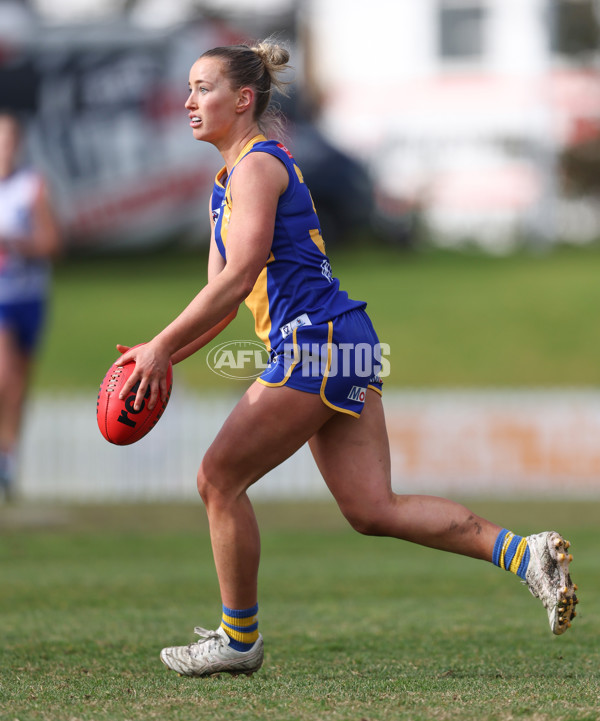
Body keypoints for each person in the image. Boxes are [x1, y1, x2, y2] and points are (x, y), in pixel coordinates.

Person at [115, 41, 579, 678]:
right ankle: (525, 555)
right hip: (344, 340)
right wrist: (161, 357)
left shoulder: (256, 167)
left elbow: (242, 269)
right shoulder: (229, 181)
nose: (189, 101)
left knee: (218, 480)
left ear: (243, 99)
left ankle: (238, 639)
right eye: (190, 89)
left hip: (318, 343)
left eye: (203, 88)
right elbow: (222, 301)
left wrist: (160, 345)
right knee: (372, 509)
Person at [0, 111, 61, 501]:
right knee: (3, 376)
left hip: (30, 295)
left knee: (19, 385)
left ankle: (8, 459)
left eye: (8, 141)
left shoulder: (31, 186)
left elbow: (51, 242)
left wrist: (18, 245)